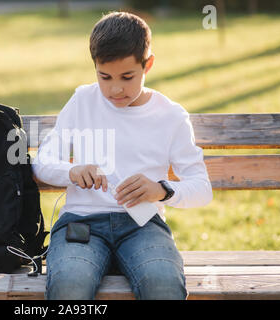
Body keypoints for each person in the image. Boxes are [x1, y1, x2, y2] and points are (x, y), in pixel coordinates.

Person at [31, 11, 213, 300]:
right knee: (69, 288)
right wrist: (72, 172)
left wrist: (161, 190)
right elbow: (42, 162)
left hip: (142, 226)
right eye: (105, 77)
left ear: (148, 64)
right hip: (82, 223)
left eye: (127, 77)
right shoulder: (82, 101)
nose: (115, 89)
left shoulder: (171, 116)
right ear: (95, 68)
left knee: (164, 287)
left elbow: (202, 188)